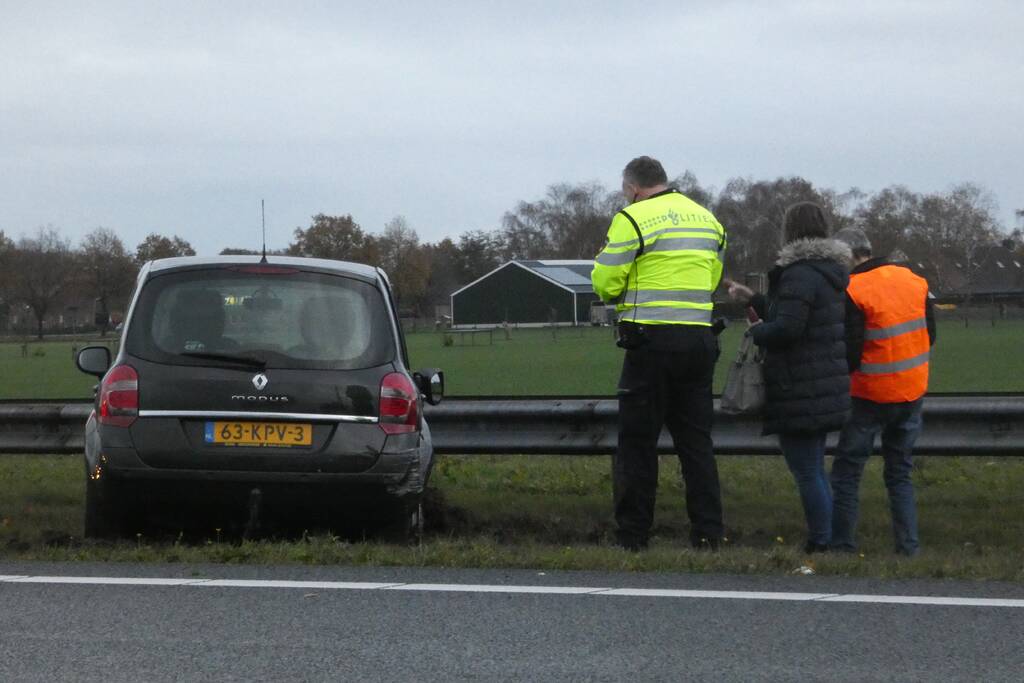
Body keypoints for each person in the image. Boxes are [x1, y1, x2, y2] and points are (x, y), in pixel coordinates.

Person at [591, 156, 727, 551]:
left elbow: (605, 281)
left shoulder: (632, 219)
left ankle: (633, 536)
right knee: (696, 444)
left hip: (650, 343)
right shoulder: (707, 218)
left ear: (632, 188)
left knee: (637, 443)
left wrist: (619, 288)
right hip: (700, 342)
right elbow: (713, 278)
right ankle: (708, 534)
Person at [725, 202, 851, 553]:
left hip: (799, 385)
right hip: (823, 382)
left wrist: (758, 331)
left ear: (789, 231)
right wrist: (753, 299)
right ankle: (832, 539)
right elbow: (798, 314)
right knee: (815, 467)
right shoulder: (829, 272)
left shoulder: (798, 273)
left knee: (807, 471)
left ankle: (821, 542)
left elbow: (788, 329)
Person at [830, 228, 935, 556]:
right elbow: (930, 334)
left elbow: (850, 352)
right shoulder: (913, 280)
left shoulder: (853, 289)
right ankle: (908, 547)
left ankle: (843, 545)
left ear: (848, 255)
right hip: (911, 392)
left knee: (848, 470)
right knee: (899, 473)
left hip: (869, 395)